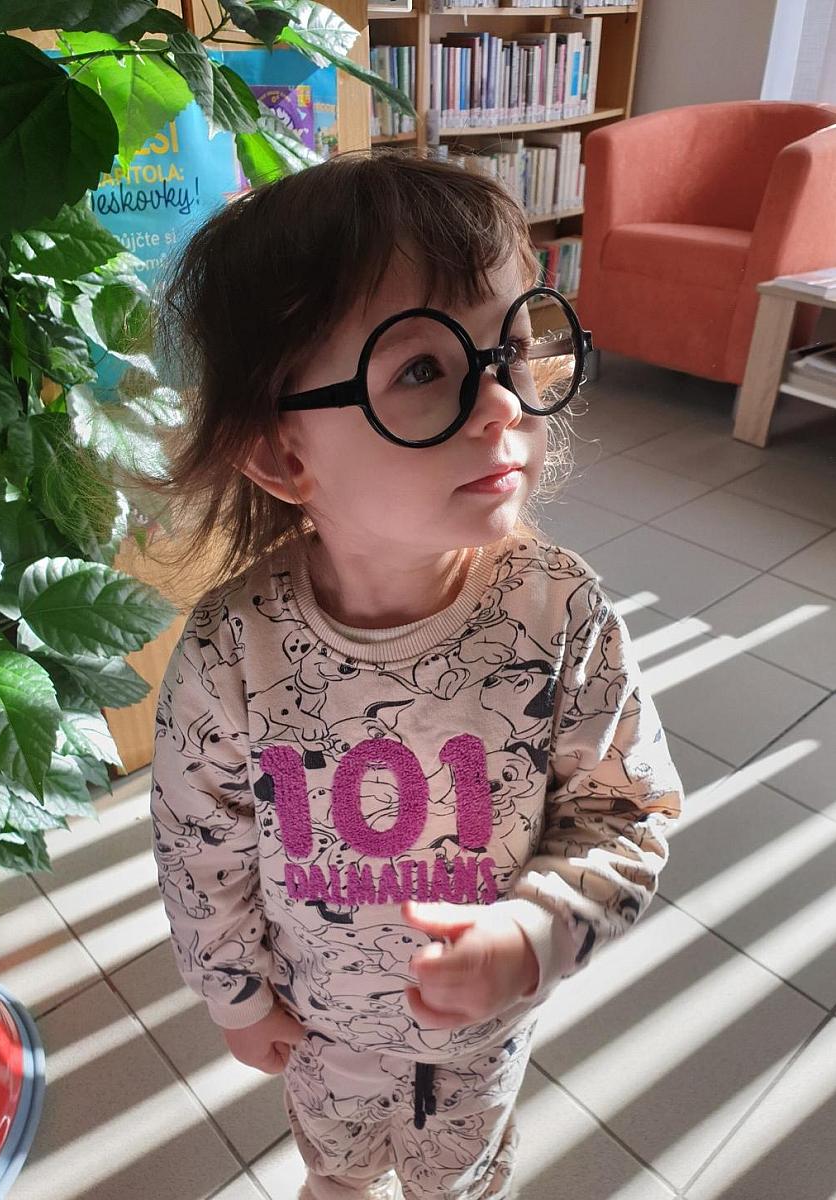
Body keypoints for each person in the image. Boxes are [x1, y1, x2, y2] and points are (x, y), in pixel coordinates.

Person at [147, 150, 684, 1200]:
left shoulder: (559, 614)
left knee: (462, 1181)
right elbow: (198, 848)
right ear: (284, 456)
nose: (503, 403)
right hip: (322, 1030)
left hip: (482, 1038)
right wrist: (234, 996)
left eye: (513, 348)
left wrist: (534, 931)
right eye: (422, 371)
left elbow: (627, 812)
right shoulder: (231, 653)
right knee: (336, 1177)